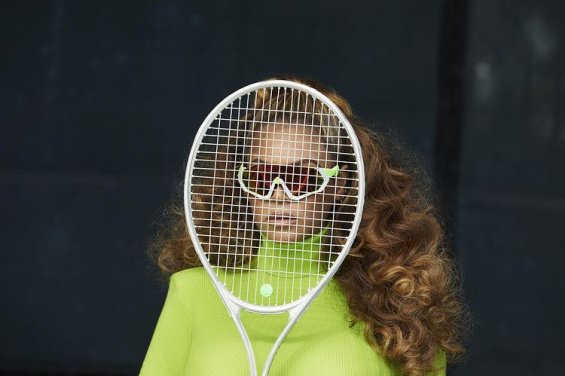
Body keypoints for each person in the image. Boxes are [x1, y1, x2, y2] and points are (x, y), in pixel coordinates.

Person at [140, 76, 469, 376]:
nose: (278, 195)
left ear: (340, 184)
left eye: (301, 178)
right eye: (261, 177)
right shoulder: (193, 292)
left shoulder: (396, 304)